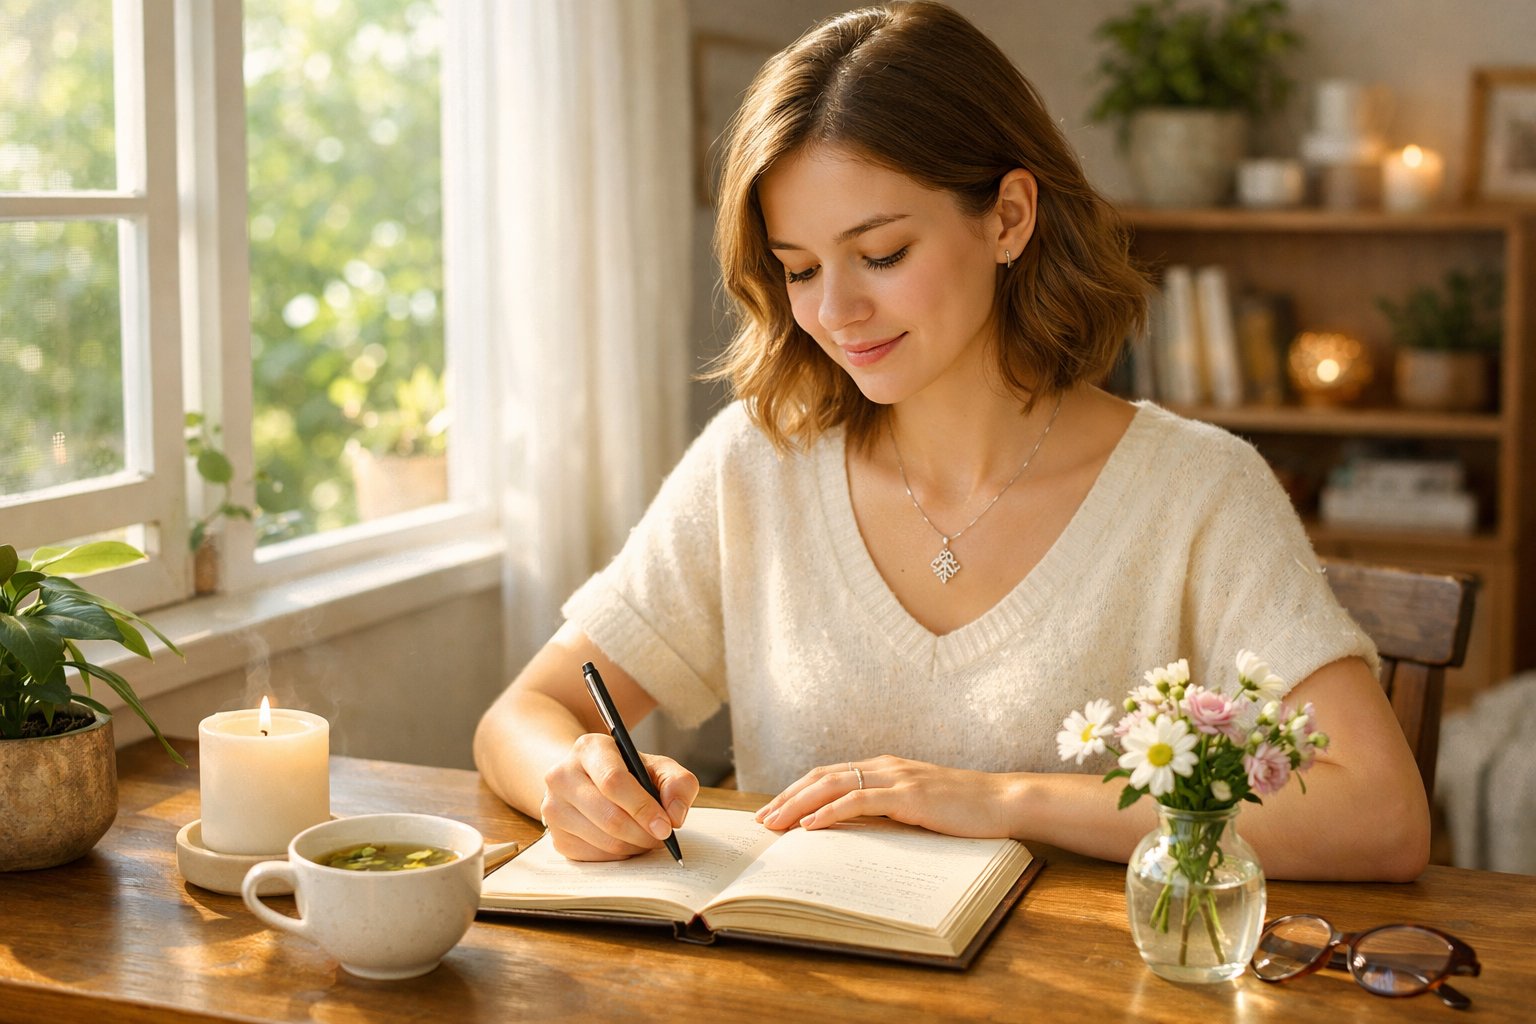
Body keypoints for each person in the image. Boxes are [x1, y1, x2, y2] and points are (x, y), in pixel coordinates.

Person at [474, 0, 1429, 881]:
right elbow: (523, 714)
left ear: (1009, 216)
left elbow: (1379, 814)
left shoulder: (1199, 492)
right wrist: (577, 776)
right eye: (799, 269)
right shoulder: (756, 464)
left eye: (882, 254)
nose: (836, 311)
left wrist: (1002, 801)